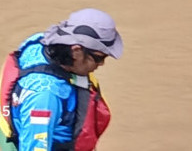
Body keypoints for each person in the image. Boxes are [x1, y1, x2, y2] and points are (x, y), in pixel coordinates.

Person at [0, 9, 123, 151]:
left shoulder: (41, 42)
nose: (101, 64)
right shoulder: (44, 97)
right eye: (99, 57)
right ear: (76, 50)